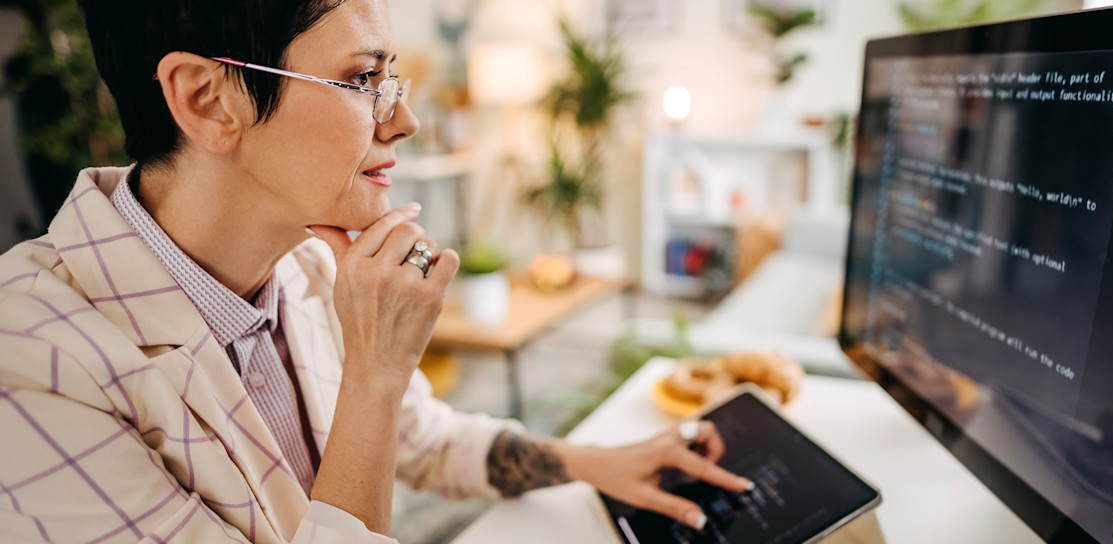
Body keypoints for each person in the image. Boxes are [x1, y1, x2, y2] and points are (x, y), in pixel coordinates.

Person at [0, 0, 754, 542]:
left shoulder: (303, 256)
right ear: (208, 100)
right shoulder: (31, 369)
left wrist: (596, 461)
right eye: (364, 79)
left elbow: (421, 438)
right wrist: (376, 373)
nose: (404, 120)